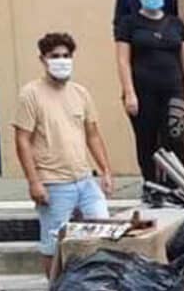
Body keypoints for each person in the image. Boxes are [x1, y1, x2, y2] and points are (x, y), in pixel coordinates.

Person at [13, 33, 113, 277]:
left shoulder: (80, 93)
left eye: (66, 56)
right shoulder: (31, 94)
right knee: (53, 244)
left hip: (84, 180)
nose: (61, 61)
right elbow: (22, 140)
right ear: (43, 59)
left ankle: (95, 286)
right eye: (55, 56)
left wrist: (105, 170)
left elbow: (93, 135)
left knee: (103, 232)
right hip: (53, 182)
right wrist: (34, 182)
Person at [114, 0, 184, 187]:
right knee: (147, 140)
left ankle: (175, 187)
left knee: (174, 138)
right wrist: (129, 93)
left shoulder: (176, 24)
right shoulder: (128, 24)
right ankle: (151, 185)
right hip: (143, 91)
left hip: (173, 90)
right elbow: (123, 60)